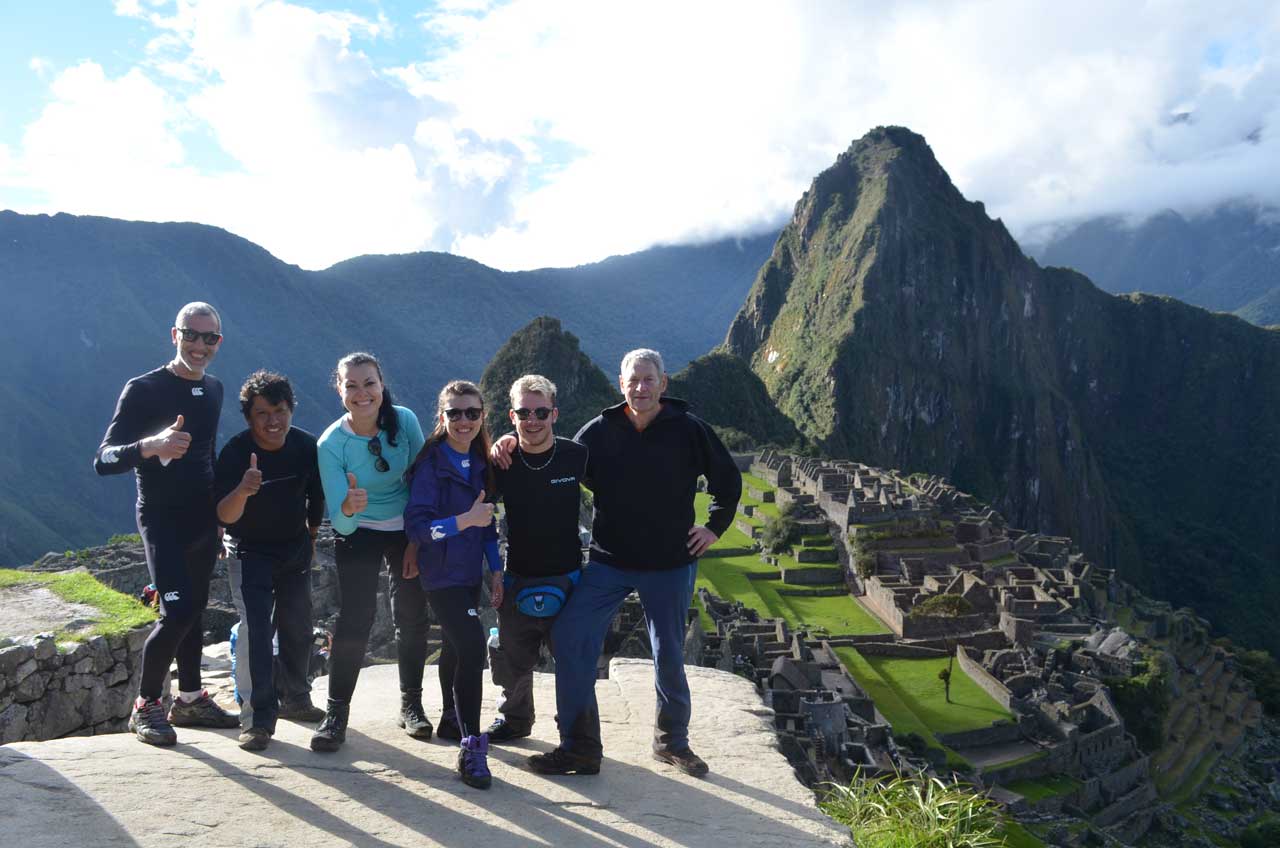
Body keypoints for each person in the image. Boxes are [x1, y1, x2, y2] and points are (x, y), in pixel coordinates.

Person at [496, 348, 741, 778]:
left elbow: (727, 479)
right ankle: (577, 746)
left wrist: (714, 527)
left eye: (649, 380)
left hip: (670, 562)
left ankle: (672, 742)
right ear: (621, 384)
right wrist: (510, 441)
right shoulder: (600, 431)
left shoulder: (688, 429)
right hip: (609, 562)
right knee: (571, 637)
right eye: (633, 380)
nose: (640, 388)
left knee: (668, 653)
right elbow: (554, 453)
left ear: (663, 383)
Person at [94, 301, 240, 746]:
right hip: (161, 519)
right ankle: (146, 706)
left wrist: (218, 516)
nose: (199, 345)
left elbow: (207, 457)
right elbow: (103, 459)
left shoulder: (213, 388)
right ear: (174, 335)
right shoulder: (143, 389)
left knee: (193, 608)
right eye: (191, 335)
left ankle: (191, 698)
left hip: (202, 519)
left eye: (208, 337)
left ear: (219, 342)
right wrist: (150, 445)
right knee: (176, 610)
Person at [312, 352, 428, 752]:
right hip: (359, 529)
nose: (362, 393)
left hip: (404, 526)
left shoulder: (406, 421)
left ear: (382, 385)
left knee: (411, 613)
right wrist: (348, 506)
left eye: (369, 383)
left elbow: (422, 482)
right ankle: (336, 713)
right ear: (339, 390)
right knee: (355, 618)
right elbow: (340, 523)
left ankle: (411, 705)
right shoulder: (331, 444)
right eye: (352, 385)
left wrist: (415, 538)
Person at [215, 370, 326, 751]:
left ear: (291, 410)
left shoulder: (305, 447)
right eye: (262, 413)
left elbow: (317, 497)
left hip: (293, 549)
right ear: (249, 417)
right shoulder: (235, 452)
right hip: (249, 553)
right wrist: (244, 490)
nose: (272, 421)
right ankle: (258, 720)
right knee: (257, 631)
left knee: (298, 626)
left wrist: (311, 536)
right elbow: (224, 516)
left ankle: (296, 698)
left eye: (279, 410)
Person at [404, 380, 502, 789]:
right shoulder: (431, 466)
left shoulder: (481, 464)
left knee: (455, 645)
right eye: (455, 413)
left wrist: (496, 571)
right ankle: (470, 746)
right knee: (474, 646)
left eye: (472, 413)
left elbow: (489, 527)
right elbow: (420, 527)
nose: (464, 421)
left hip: (468, 574)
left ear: (482, 417)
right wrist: (464, 521)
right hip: (440, 574)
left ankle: (450, 718)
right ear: (442, 418)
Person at [483, 375, 588, 745]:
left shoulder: (575, 456)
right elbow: (481, 516)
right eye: (524, 412)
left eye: (541, 411)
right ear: (512, 416)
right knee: (512, 659)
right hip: (519, 576)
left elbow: (618, 497)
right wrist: (493, 572)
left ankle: (574, 733)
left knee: (573, 663)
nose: (533, 419)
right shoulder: (502, 463)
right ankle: (515, 720)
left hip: (568, 578)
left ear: (554, 413)